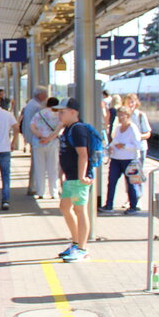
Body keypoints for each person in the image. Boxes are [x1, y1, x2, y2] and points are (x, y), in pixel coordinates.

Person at [57, 98, 93, 262]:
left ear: (73, 112)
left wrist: (81, 176)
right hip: (70, 177)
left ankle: (82, 248)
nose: (59, 115)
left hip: (79, 178)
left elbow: (83, 155)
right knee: (65, 207)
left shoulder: (78, 130)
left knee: (80, 211)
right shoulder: (67, 130)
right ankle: (75, 241)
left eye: (62, 112)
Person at [101, 107, 143, 214]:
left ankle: (133, 206)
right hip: (116, 158)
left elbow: (138, 145)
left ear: (128, 116)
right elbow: (115, 141)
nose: (120, 118)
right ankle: (109, 205)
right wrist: (111, 147)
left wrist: (124, 146)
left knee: (131, 183)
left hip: (129, 159)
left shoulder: (133, 128)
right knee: (111, 182)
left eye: (122, 115)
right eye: (118, 115)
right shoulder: (118, 128)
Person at [30, 97, 61, 198]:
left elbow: (32, 126)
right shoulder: (58, 115)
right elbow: (59, 129)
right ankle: (54, 192)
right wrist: (48, 138)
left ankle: (41, 192)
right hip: (52, 143)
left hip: (38, 142)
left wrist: (40, 136)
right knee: (53, 168)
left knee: (40, 168)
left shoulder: (39, 114)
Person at [19, 86, 47, 195]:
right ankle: (33, 187)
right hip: (36, 137)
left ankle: (32, 186)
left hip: (30, 136)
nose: (46, 96)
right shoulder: (37, 107)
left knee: (35, 162)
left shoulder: (30, 104)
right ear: (40, 95)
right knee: (37, 163)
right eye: (45, 93)